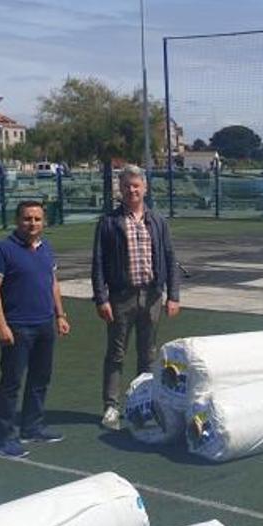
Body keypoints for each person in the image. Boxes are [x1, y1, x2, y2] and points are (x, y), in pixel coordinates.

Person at [91, 165, 181, 430]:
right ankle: (111, 407)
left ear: (145, 188)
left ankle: (143, 404)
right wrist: (101, 298)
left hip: (152, 296)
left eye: (136, 185)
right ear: (120, 189)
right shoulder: (109, 222)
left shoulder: (158, 221)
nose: (132, 190)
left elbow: (169, 258)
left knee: (148, 354)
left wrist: (173, 295)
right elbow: (98, 262)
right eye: (127, 186)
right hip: (121, 297)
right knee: (116, 354)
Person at [0, 200, 71, 458]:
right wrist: (1, 325)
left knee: (40, 379)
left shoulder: (46, 248)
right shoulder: (2, 250)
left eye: (37, 219)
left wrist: (60, 315)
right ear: (17, 220)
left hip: (45, 324)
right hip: (18, 328)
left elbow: (52, 283)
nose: (32, 223)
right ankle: (3, 439)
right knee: (11, 383)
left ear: (43, 222)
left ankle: (32, 427)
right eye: (27, 218)